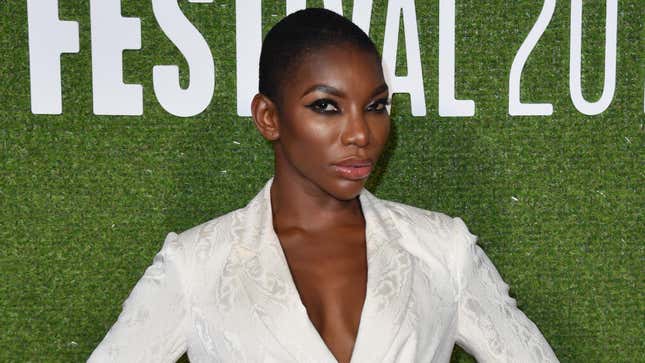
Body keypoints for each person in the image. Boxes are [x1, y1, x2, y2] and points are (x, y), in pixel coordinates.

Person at [88, 8, 558, 363]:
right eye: (327, 107)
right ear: (268, 117)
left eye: (375, 107)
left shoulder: (441, 249)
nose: (360, 133)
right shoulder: (196, 264)